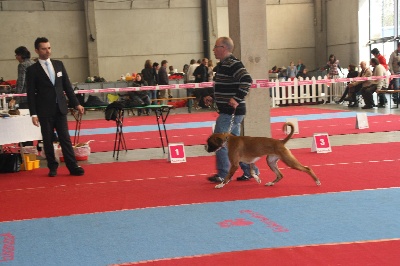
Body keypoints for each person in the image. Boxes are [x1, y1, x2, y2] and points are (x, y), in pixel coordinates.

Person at [26, 37, 84, 177]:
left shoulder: (59, 64)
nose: (48, 51)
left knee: (65, 139)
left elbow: (67, 87)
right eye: (44, 48)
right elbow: (30, 94)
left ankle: (73, 166)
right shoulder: (32, 70)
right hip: (44, 110)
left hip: (61, 108)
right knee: (47, 140)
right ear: (37, 50)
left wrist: (76, 103)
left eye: (49, 48)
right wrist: (33, 114)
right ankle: (52, 167)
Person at [204, 36, 259, 183]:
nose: (214, 50)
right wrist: (212, 96)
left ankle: (223, 174)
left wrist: (236, 98)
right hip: (229, 111)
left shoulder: (233, 63)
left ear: (224, 48)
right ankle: (251, 171)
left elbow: (247, 80)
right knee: (236, 144)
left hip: (231, 112)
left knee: (218, 141)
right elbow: (225, 86)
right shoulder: (222, 65)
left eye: (216, 47)